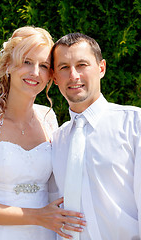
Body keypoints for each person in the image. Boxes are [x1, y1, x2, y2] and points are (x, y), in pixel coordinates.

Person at [0, 27, 86, 240]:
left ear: (50, 75)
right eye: (27, 62)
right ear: (9, 64)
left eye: (44, 65)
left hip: (44, 233)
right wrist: (37, 216)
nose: (35, 72)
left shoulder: (48, 118)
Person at [51, 32, 141, 240]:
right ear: (55, 78)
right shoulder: (57, 139)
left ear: (101, 68)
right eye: (64, 67)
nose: (74, 75)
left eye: (82, 65)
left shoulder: (135, 124)